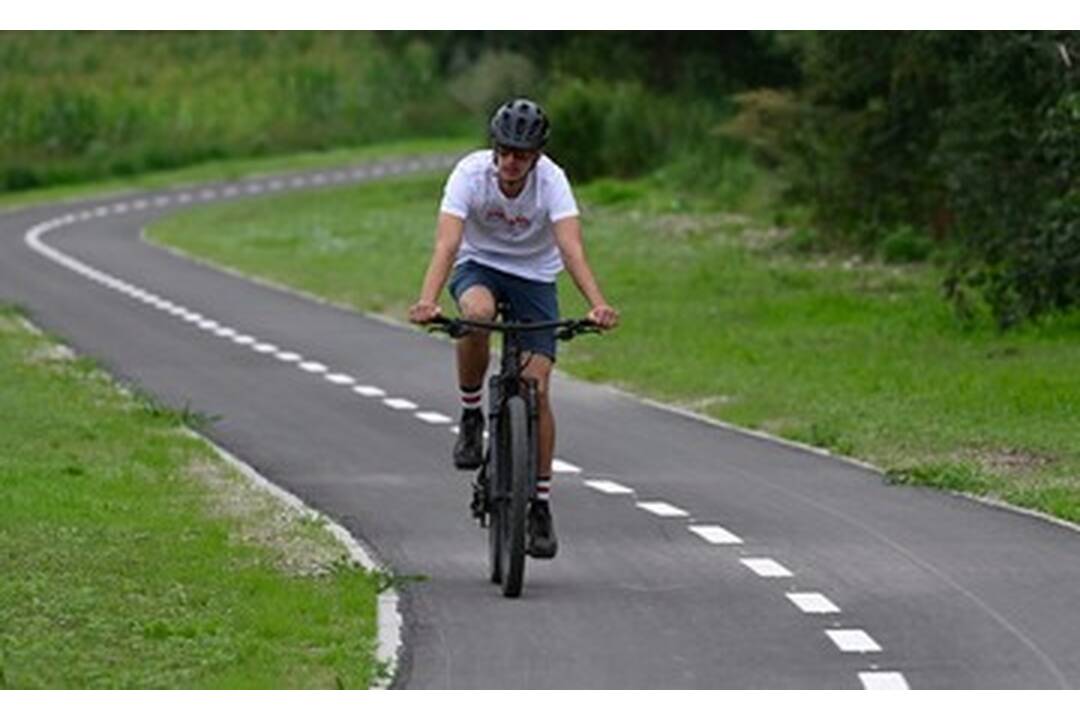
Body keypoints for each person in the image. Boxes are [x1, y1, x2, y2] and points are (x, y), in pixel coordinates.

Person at [408, 97, 619, 559]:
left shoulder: (552, 182)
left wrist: (598, 305)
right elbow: (447, 243)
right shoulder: (469, 174)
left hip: (535, 276)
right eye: (503, 151)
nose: (510, 162)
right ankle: (470, 415)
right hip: (478, 264)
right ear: (493, 147)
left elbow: (571, 250)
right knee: (477, 316)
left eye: (521, 155)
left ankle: (540, 505)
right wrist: (427, 299)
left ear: (537, 156)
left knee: (537, 390)